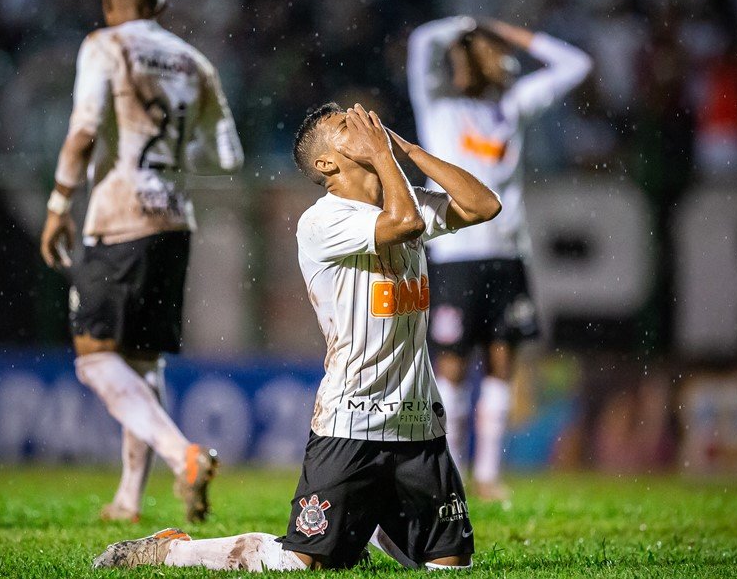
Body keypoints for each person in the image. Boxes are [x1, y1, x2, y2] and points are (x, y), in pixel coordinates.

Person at [91, 102, 501, 571]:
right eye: (348, 126)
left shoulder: (403, 197)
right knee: (302, 563)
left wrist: (409, 151)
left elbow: (484, 205)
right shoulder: (324, 221)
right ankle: (174, 549)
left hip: (419, 424)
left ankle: (367, 524)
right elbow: (405, 223)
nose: (366, 124)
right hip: (353, 420)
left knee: (453, 568)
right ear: (327, 163)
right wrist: (386, 158)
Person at [39, 0, 243, 524]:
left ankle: (184, 455)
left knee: (94, 359)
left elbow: (82, 133)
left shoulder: (104, 45)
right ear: (161, 6)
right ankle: (129, 498)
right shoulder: (194, 61)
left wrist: (58, 206)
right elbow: (229, 156)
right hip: (175, 221)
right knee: (143, 360)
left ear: (110, 3)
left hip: (118, 216)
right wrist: (175, 159)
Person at [407, 17, 592, 501]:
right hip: (454, 254)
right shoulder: (438, 108)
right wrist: (469, 25)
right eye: (486, 52)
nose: (499, 60)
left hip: (507, 253)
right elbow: (422, 42)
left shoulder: (511, 108)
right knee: (450, 365)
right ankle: (454, 472)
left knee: (501, 360)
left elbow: (577, 64)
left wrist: (508, 31)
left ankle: (488, 474)